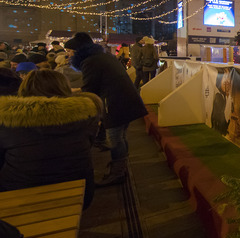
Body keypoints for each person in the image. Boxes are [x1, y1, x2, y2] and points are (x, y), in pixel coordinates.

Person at [0, 70, 102, 208]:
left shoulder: (7, 120)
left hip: (20, 195)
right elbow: (88, 144)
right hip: (82, 193)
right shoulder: (86, 113)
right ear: (64, 87)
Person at [66, 32, 148, 186]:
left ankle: (118, 172)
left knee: (115, 139)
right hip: (125, 101)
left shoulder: (90, 62)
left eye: (70, 51)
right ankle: (121, 168)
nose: (68, 55)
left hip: (115, 103)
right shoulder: (101, 57)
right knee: (120, 137)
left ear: (77, 51)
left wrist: (71, 92)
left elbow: (90, 89)